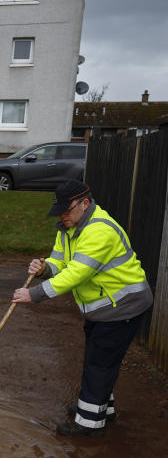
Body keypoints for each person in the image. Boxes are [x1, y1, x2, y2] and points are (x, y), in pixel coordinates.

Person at [11, 179, 153, 437]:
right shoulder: (68, 228)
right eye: (60, 211)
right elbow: (59, 261)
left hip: (122, 307)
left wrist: (34, 294)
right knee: (100, 361)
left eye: (67, 210)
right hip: (103, 308)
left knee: (98, 364)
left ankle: (89, 424)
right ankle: (99, 409)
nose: (63, 216)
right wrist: (45, 269)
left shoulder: (100, 231)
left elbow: (77, 273)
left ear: (84, 203)